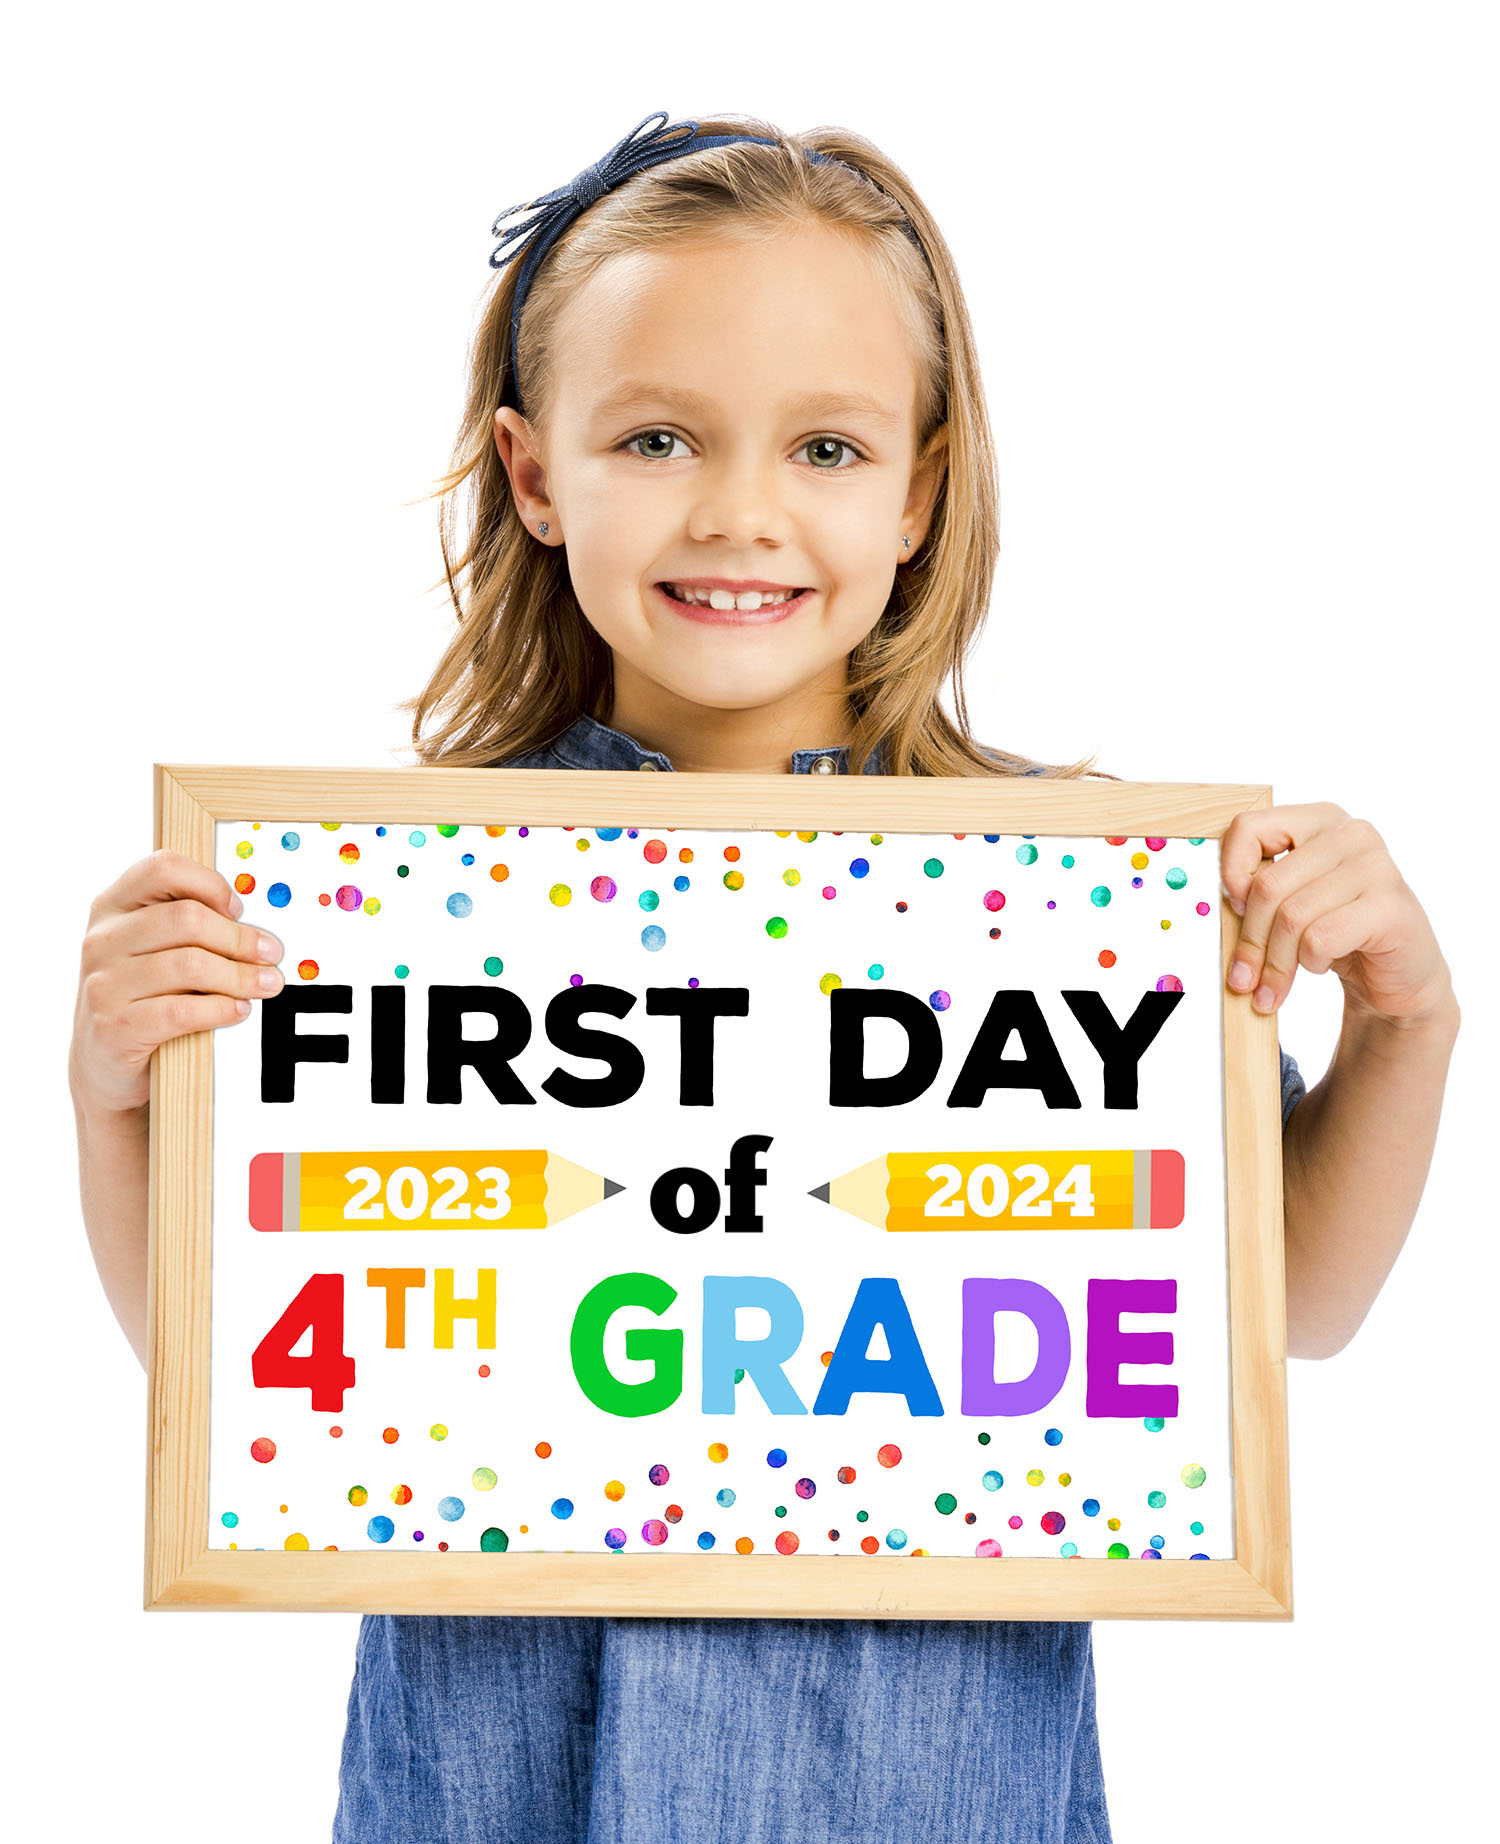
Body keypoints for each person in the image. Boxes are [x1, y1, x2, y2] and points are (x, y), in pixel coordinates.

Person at [69, 110, 1460, 1844]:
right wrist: (123, 1095)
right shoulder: (378, 910)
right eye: (657, 437)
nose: (741, 513)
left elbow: (1297, 1311)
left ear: (919, 489)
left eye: (824, 447)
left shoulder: (1069, 903)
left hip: (933, 1789)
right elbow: (258, 1366)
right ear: (532, 473)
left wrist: (1405, 1024)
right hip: (495, 1786)